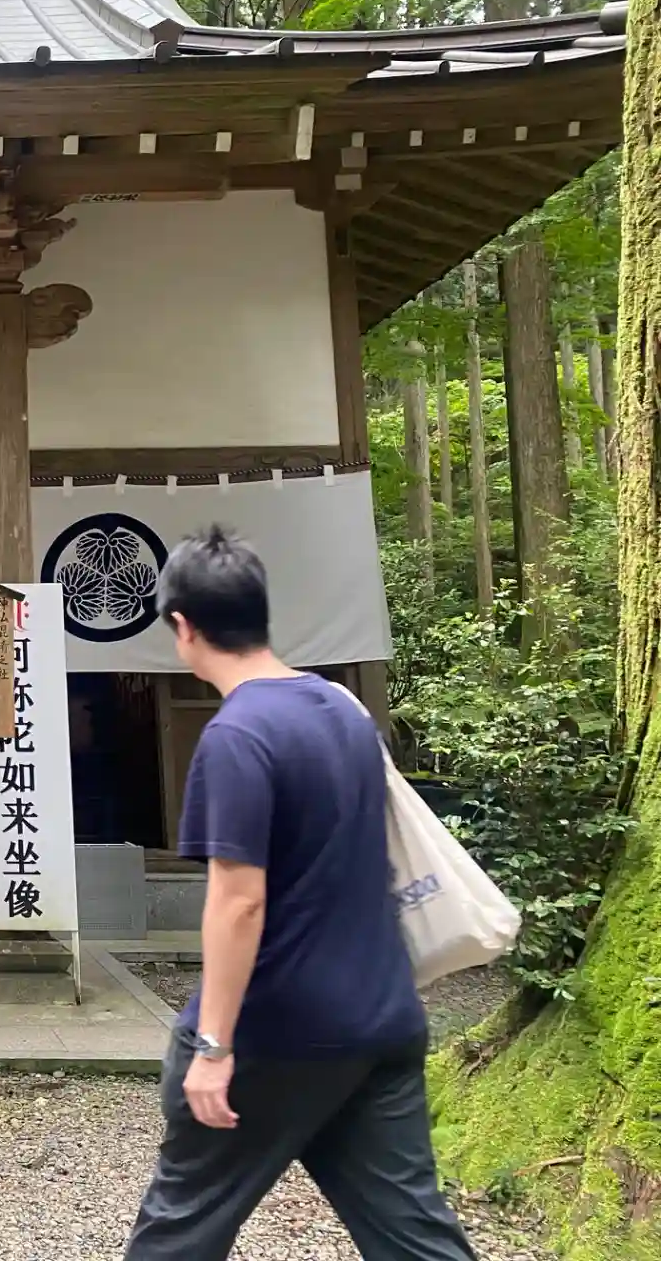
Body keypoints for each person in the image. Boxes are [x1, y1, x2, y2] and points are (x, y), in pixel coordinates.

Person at [125, 527, 471, 1261]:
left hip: (278, 1030)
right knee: (414, 1236)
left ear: (183, 627)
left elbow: (239, 900)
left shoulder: (237, 735)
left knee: (181, 1230)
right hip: (381, 1018)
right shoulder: (344, 711)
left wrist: (213, 1045)